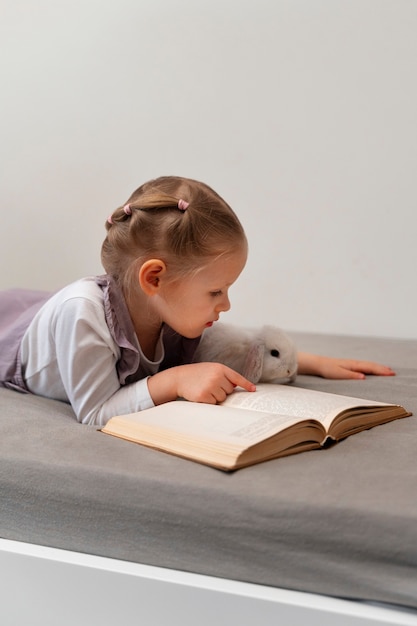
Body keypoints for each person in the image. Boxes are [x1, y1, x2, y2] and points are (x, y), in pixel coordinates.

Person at [0, 175, 395, 425]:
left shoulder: (166, 310)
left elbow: (223, 344)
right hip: (12, 330)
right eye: (215, 291)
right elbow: (94, 412)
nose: (225, 305)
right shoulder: (82, 317)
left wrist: (305, 362)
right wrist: (174, 380)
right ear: (155, 278)